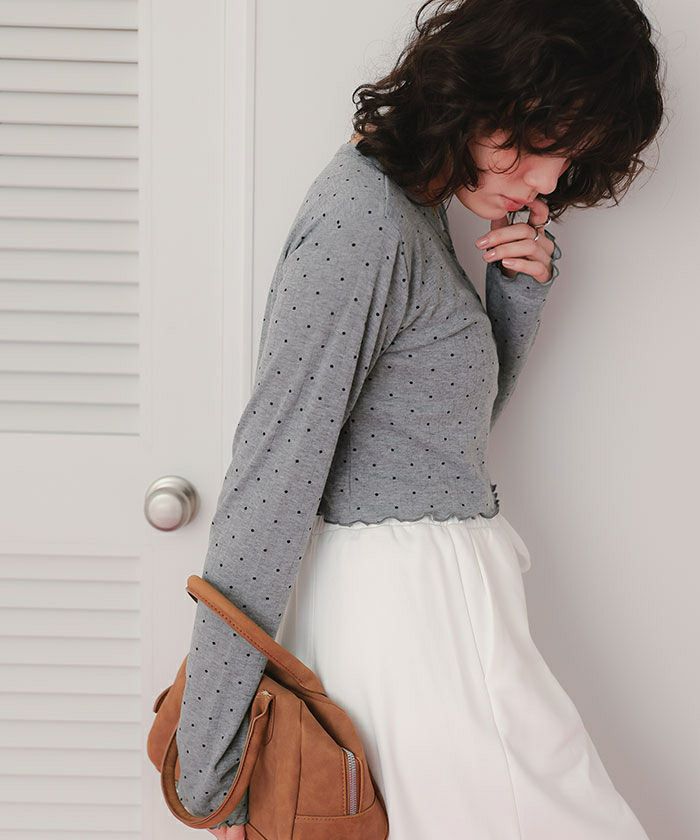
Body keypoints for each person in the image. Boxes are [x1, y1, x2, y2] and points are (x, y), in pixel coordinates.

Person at [173, 0, 666, 837]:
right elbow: (272, 477)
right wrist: (209, 756)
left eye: (570, 157)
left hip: (432, 616)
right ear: (477, 91)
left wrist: (517, 296)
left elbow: (435, 444)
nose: (548, 181)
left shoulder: (416, 205)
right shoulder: (361, 220)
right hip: (416, 630)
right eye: (540, 142)